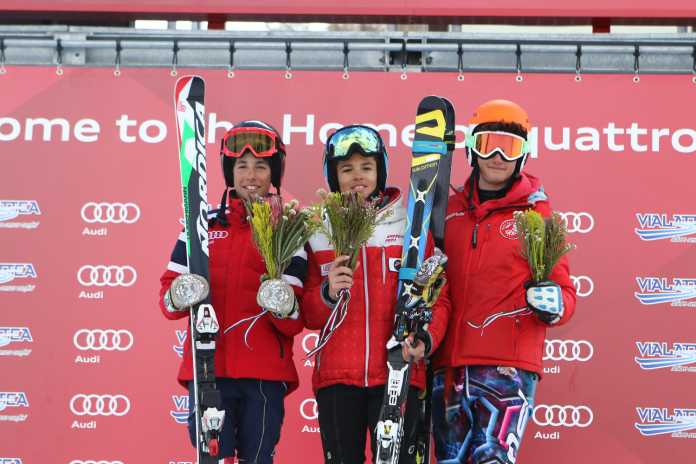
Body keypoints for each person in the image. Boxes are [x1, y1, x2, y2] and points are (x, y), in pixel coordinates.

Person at [430, 100, 577, 464]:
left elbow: (565, 291)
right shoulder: (448, 211)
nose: (497, 156)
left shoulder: (537, 217)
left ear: (524, 154)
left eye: (509, 147)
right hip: (448, 368)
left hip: (506, 371)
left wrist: (554, 303)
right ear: (471, 149)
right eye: (488, 145)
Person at [158, 120, 306, 464]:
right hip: (209, 369)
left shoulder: (289, 229)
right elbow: (168, 300)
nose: (251, 175)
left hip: (264, 375)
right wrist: (181, 293)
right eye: (242, 166)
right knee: (211, 459)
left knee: (258, 458)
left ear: (274, 173)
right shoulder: (201, 224)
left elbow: (294, 322)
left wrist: (282, 303)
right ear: (229, 171)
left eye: (261, 166)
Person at [301, 125, 450, 464]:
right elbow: (307, 313)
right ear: (333, 176)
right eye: (346, 169)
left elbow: (438, 295)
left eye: (366, 167)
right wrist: (327, 293)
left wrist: (426, 339)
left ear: (380, 171)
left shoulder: (410, 222)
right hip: (337, 377)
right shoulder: (318, 230)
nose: (357, 176)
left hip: (398, 371)